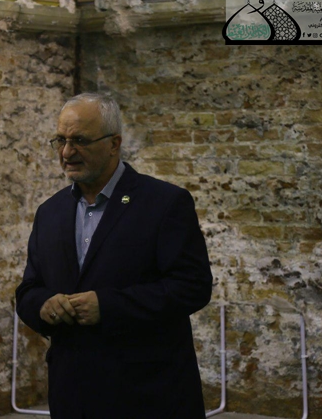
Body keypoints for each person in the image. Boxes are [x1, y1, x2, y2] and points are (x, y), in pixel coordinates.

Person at [15, 93, 213, 419]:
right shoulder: (50, 212)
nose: (66, 153)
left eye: (80, 141)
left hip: (149, 396)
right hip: (72, 395)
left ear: (114, 144)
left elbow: (193, 287)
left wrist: (108, 306)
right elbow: (28, 289)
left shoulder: (164, 203)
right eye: (61, 140)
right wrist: (44, 305)